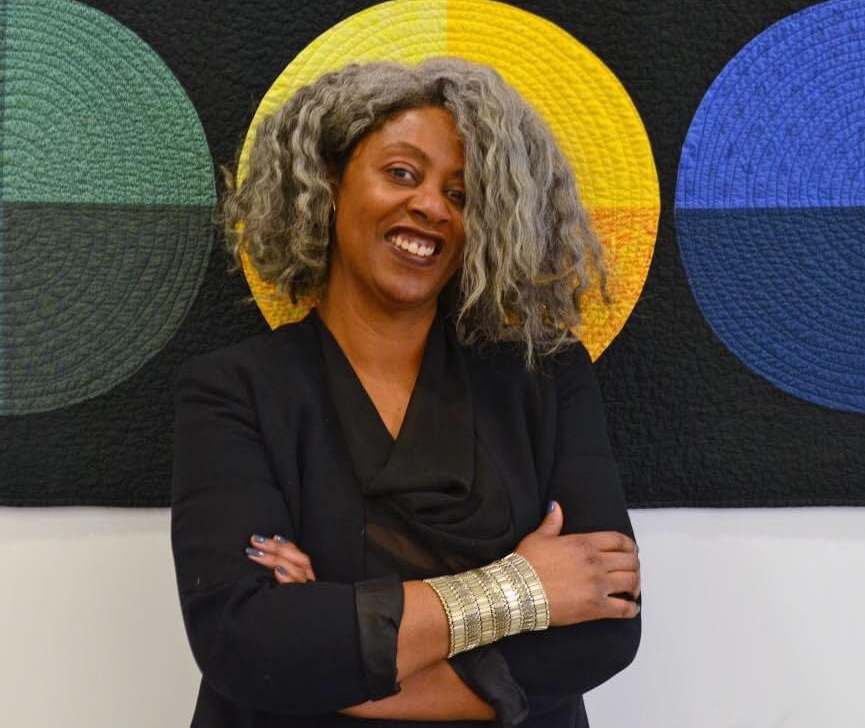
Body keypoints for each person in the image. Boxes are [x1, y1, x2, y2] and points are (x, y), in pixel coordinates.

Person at [171, 57, 641, 727]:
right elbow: (245, 640)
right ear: (328, 180)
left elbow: (605, 620)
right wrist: (521, 589)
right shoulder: (232, 392)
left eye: (462, 193)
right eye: (401, 172)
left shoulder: (545, 377)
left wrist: (333, 643)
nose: (431, 206)